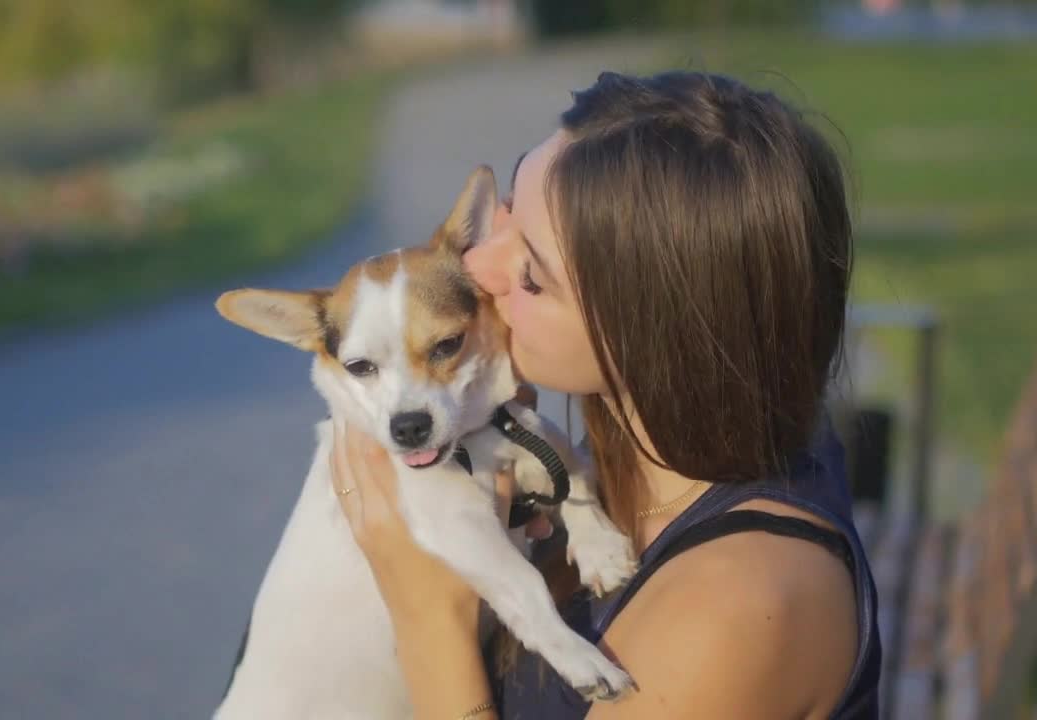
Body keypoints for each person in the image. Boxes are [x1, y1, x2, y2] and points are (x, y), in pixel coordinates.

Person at [328, 70, 881, 719]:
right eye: (509, 209)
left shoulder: (733, 609)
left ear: (649, 335)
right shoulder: (654, 454)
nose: (477, 268)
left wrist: (428, 623)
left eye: (530, 273)